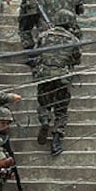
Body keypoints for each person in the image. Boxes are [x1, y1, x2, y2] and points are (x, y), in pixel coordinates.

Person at [32, 10, 82, 155]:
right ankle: (56, 140)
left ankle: (45, 120)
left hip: (44, 75)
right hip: (62, 77)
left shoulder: (43, 36)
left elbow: (35, 54)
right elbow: (76, 59)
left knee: (43, 103)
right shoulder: (73, 39)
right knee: (61, 110)